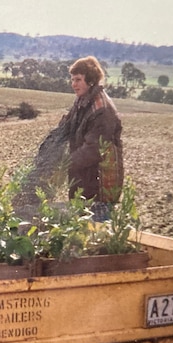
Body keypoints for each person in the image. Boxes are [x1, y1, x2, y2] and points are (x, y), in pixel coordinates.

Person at [62, 56, 124, 221]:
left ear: (90, 80)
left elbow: (93, 150)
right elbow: (67, 125)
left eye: (78, 80)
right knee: (80, 228)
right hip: (83, 179)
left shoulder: (102, 110)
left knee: (96, 231)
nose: (73, 84)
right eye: (72, 79)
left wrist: (64, 163)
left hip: (100, 185)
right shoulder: (82, 101)